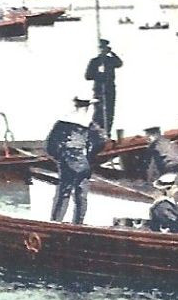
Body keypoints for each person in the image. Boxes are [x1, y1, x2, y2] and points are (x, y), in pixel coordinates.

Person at [45, 97, 104, 225]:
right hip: (80, 160)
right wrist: (89, 156)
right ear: (88, 106)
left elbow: (50, 144)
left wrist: (58, 155)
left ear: (76, 105)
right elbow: (101, 141)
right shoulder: (89, 123)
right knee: (81, 193)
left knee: (63, 192)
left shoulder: (62, 121)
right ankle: (78, 224)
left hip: (65, 159)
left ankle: (55, 222)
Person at [85, 39, 124, 132]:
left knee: (109, 112)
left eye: (105, 49)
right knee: (99, 112)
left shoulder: (110, 60)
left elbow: (119, 63)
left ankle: (107, 132)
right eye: (102, 48)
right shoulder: (95, 61)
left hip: (110, 89)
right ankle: (97, 133)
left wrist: (112, 53)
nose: (103, 50)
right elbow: (88, 76)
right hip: (99, 90)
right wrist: (98, 74)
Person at [143, 126, 178, 190]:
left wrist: (148, 181)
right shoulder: (169, 142)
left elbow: (150, 166)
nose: (147, 139)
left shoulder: (154, 145)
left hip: (169, 169)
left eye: (148, 136)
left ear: (155, 135)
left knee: (163, 189)